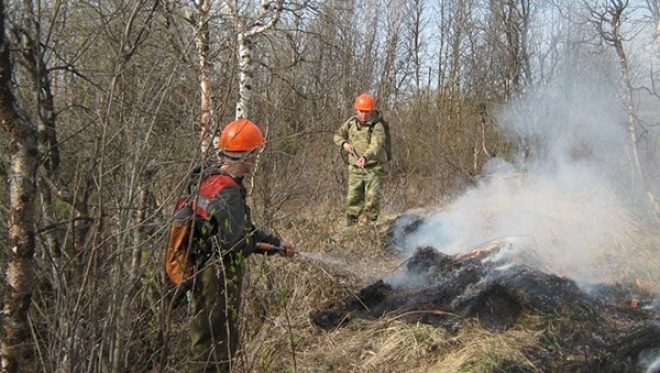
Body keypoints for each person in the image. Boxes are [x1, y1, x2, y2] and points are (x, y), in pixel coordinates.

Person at [187, 118, 295, 372]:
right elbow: (235, 242)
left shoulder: (213, 179)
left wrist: (276, 243)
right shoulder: (228, 192)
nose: (257, 158)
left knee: (207, 337)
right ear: (245, 154)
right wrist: (267, 249)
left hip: (205, 267)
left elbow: (242, 229)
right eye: (255, 152)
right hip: (217, 275)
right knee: (215, 343)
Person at [333, 93, 388, 226]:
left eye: (366, 111)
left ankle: (371, 226)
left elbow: (376, 144)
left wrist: (365, 157)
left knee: (372, 199)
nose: (364, 115)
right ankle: (351, 227)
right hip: (355, 168)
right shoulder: (351, 123)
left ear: (372, 110)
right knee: (354, 198)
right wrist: (344, 144)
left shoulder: (377, 125)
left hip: (374, 168)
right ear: (356, 110)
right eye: (361, 111)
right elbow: (337, 135)